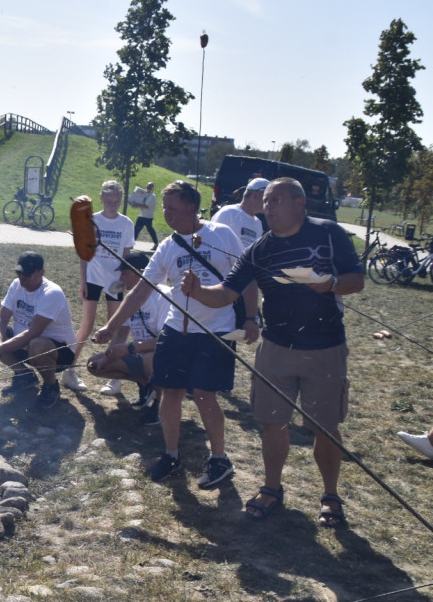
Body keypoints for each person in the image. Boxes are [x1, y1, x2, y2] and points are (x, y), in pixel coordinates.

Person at [181, 177, 364, 524]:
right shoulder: (259, 250)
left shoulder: (328, 233)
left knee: (324, 426)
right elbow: (226, 292)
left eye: (276, 200)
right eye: (265, 201)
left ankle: (330, 494)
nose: (268, 207)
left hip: (325, 347)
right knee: (272, 423)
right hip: (276, 346)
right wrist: (198, 290)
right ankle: (271, 487)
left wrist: (332, 285)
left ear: (299, 204)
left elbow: (357, 279)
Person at [95, 180, 248, 488]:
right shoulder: (168, 246)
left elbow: (246, 276)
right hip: (177, 329)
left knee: (205, 395)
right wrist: (111, 326)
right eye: (164, 208)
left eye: (173, 208)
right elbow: (139, 291)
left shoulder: (222, 235)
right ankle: (171, 454)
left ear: (192, 206)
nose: (167, 215)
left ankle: (219, 458)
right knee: (170, 391)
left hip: (214, 329)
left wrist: (254, 317)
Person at [0, 251, 77, 411]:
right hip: (23, 344)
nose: (22, 279)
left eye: (27, 275)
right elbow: (1, 318)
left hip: (58, 352)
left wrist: (0, 349)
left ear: (41, 273)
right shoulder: (16, 285)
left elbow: (33, 332)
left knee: (37, 345)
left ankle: (51, 386)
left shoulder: (52, 293)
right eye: (19, 273)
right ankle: (24, 375)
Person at [85, 252, 167, 424]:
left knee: (152, 361)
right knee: (95, 365)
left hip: (163, 354)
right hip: (139, 352)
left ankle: (160, 405)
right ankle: (146, 384)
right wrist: (108, 354)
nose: (121, 278)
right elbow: (122, 333)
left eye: (124, 273)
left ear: (140, 272)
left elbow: (165, 341)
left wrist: (130, 349)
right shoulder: (131, 299)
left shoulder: (163, 296)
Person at [69, 180, 135, 395]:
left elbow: (126, 255)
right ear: (102, 198)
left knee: (114, 327)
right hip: (93, 278)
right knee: (87, 325)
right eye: (109, 200)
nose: (113, 204)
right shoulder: (91, 220)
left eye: (117, 201)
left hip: (115, 280)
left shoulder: (126, 224)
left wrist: (125, 278)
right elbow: (83, 253)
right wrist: (82, 281)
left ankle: (113, 378)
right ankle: (69, 370)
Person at [212, 176, 267, 345]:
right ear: (256, 195)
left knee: (232, 330)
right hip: (222, 282)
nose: (270, 203)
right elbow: (212, 243)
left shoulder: (257, 223)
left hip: (243, 285)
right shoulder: (229, 213)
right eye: (268, 197)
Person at [132, 182, 158, 248]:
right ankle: (131, 244)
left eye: (149, 187)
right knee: (136, 230)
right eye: (147, 187)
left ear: (152, 188)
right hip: (141, 215)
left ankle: (156, 243)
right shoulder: (145, 195)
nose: (148, 189)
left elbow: (146, 206)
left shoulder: (152, 196)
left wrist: (136, 204)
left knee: (150, 230)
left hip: (148, 217)